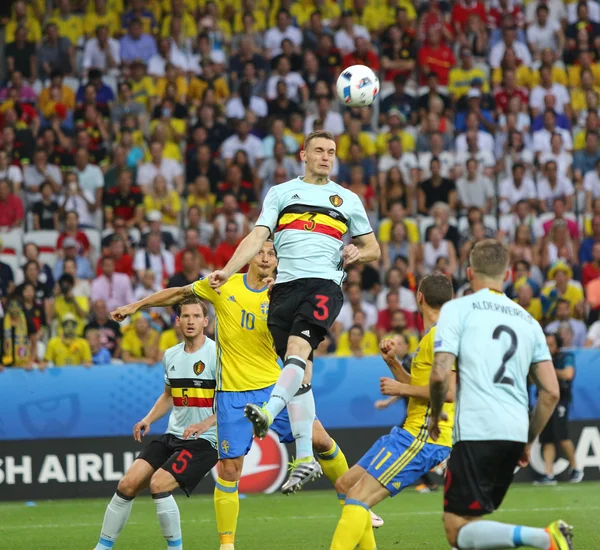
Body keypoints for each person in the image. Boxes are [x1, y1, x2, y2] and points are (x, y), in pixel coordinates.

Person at [110, 241, 382, 550]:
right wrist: (136, 306)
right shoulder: (224, 285)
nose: (266, 258)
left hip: (275, 388)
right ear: (248, 257)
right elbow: (179, 293)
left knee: (319, 439)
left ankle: (356, 500)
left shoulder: (284, 291)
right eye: (261, 252)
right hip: (233, 394)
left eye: (272, 254)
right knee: (230, 468)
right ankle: (227, 545)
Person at [207, 130, 380, 493]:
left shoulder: (347, 199)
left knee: (298, 351)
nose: (326, 157)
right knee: (297, 369)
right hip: (284, 289)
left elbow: (373, 248)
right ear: (303, 154)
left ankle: (270, 411)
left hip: (323, 285)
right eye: (319, 150)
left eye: (331, 152)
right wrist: (229, 268)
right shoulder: (282, 193)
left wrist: (356, 253)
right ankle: (303, 456)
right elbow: (257, 236)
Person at [428, 239, 572, 550]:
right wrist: (529, 439)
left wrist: (435, 413)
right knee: (473, 525)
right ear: (506, 276)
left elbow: (440, 373)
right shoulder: (529, 321)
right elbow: (550, 392)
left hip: (476, 431)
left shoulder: (457, 309)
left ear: (469, 272)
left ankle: (545, 539)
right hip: (515, 432)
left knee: (456, 528)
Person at [330, 272, 455, 549]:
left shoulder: (441, 336)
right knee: (345, 486)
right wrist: (394, 364)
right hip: (410, 431)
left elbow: (448, 393)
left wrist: (401, 390)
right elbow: (426, 388)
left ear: (419, 297)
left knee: (357, 498)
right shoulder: (435, 336)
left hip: (423, 437)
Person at [93, 297, 218, 550]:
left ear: (206, 322)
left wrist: (205, 424)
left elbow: (231, 402)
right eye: (185, 316)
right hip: (173, 436)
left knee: (159, 484)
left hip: (206, 440)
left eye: (196, 316)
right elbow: (168, 395)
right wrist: (147, 419)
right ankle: (102, 547)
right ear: (177, 321)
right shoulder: (171, 355)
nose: (190, 321)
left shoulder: (218, 354)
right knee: (127, 484)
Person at [535, 333, 583, 486]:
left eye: (551, 345)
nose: (548, 348)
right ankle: (549, 474)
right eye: (546, 345)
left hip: (560, 400)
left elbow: (568, 374)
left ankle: (576, 468)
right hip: (544, 400)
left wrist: (548, 371)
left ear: (558, 345)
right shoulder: (540, 359)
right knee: (547, 438)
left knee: (561, 435)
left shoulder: (566, 357)